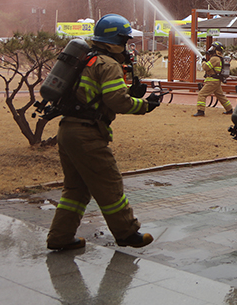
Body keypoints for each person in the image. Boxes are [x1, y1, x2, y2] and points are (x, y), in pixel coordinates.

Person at [46, 14, 161, 251]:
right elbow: (118, 101)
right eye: (125, 41)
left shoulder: (88, 59)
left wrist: (131, 92)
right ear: (114, 40)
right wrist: (146, 105)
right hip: (87, 134)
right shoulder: (109, 64)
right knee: (109, 184)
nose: (127, 47)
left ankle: (60, 237)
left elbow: (97, 96)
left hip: (68, 130)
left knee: (76, 189)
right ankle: (128, 233)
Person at [193, 42, 233, 117]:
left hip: (212, 81)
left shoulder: (214, 58)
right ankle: (229, 109)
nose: (211, 49)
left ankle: (200, 110)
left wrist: (204, 62)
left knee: (202, 94)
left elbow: (206, 67)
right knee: (220, 95)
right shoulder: (218, 58)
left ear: (216, 50)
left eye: (213, 48)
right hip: (216, 81)